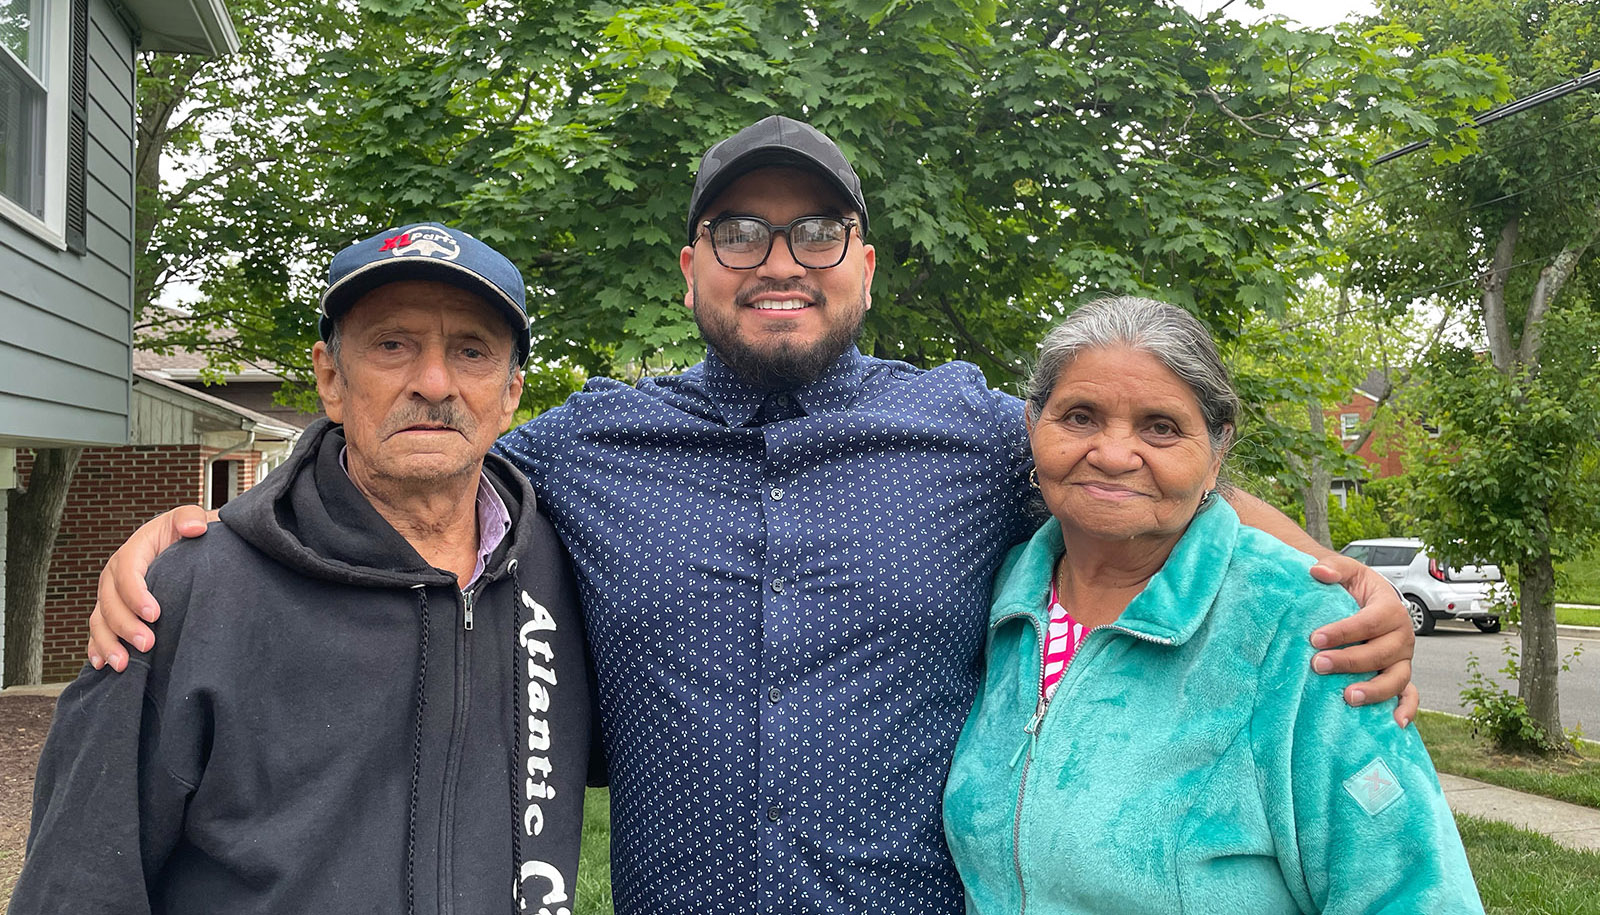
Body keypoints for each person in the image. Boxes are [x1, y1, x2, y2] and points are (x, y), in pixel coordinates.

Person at [86, 118, 1418, 915]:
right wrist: (192, 537)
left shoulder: (970, 432)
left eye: (817, 230)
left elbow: (1145, 468)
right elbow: (408, 452)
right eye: (738, 231)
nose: (778, 258)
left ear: (866, 265)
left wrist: (1337, 576)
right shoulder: (586, 446)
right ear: (691, 269)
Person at [16, 224, 592, 914]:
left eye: (471, 351)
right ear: (330, 377)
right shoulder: (184, 595)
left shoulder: (562, 574)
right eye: (391, 345)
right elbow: (77, 885)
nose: (433, 382)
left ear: (510, 392)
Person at [943, 297, 1480, 914]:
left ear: (1217, 447)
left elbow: (1411, 890)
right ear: (1034, 422)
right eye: (1080, 417)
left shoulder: (1300, 624)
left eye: (1161, 427)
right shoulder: (1006, 599)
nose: (1115, 454)